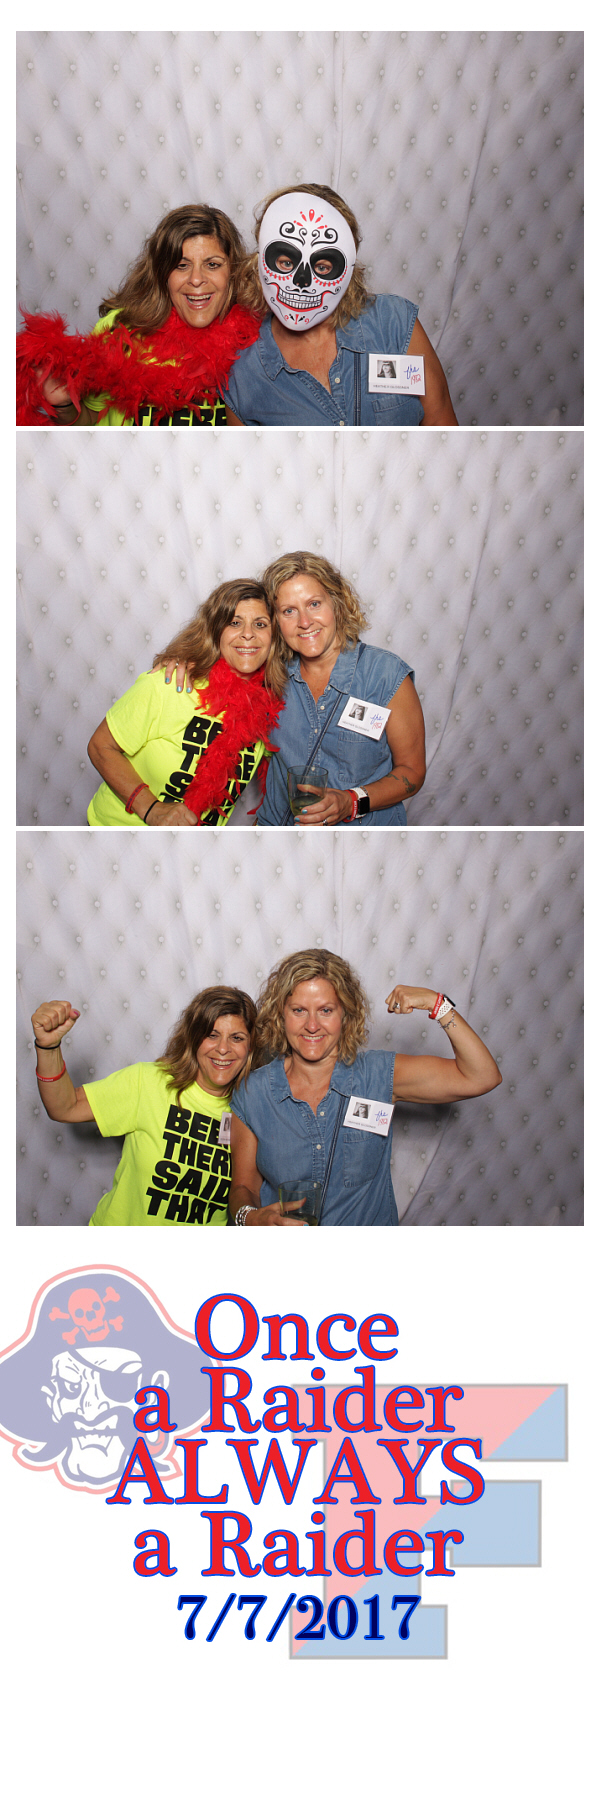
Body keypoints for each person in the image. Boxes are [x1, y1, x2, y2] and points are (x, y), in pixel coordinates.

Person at [228, 949, 502, 1228]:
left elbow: (481, 1077)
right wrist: (249, 1217)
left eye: (325, 1010)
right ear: (280, 1015)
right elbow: (243, 1186)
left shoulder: (377, 1074)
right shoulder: (253, 1092)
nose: (312, 1025)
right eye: (299, 1010)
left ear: (345, 1014)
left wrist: (437, 1004)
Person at [222, 183, 457, 426]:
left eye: (322, 267)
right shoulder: (242, 371)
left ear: (347, 269)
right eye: (286, 263)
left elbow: (442, 428)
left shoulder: (394, 323)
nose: (302, 282)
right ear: (260, 262)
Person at [31, 986, 257, 1227]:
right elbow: (65, 1107)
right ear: (193, 1038)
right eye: (212, 1035)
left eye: (237, 1038)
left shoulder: (253, 1112)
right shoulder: (149, 1082)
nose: (223, 1048)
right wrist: (48, 1047)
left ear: (251, 1046)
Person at [17, 203, 261, 426]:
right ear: (162, 274)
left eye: (212, 264)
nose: (196, 279)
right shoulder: (119, 330)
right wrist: (64, 405)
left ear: (232, 270)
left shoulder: (256, 339)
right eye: (181, 265)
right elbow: (90, 425)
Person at [86, 580, 286, 827]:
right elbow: (100, 746)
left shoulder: (268, 708)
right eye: (235, 623)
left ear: (274, 637)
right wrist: (151, 809)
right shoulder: (171, 683)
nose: (248, 633)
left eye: (260, 624)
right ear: (215, 630)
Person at [255, 552, 426, 826]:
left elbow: (412, 772)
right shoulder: (267, 675)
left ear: (337, 603)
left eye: (314, 604)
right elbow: (219, 656)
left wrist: (351, 801)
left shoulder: (385, 675)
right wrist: (185, 659)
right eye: (289, 611)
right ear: (275, 620)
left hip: (363, 839)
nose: (304, 622)